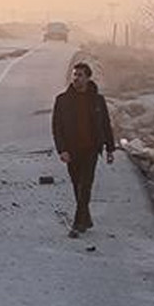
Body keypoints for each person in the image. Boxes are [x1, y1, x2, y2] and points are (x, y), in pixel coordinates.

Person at [51, 61, 116, 237]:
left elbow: (105, 124)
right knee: (76, 185)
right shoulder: (62, 100)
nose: (76, 78)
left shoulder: (97, 100)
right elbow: (57, 127)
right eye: (74, 75)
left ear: (88, 78)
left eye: (80, 75)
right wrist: (62, 150)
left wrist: (110, 148)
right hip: (71, 151)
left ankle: (77, 223)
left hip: (91, 149)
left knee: (85, 186)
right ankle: (85, 218)